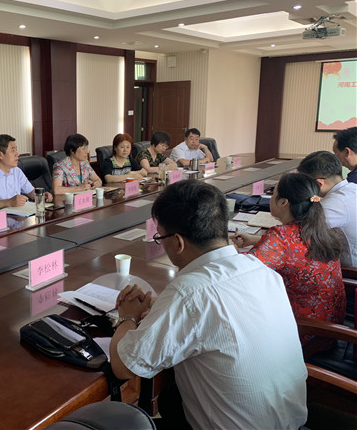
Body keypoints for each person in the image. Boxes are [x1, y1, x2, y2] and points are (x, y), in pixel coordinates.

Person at [109, 180, 307, 429]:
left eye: (160, 237)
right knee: (170, 396)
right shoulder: (261, 270)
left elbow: (123, 367)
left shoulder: (188, 293)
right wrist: (160, 306)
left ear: (178, 242)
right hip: (290, 421)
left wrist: (127, 316)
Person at [233, 173, 345, 341]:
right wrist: (257, 240)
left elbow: (240, 273)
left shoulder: (281, 237)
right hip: (330, 327)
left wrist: (229, 247)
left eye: (274, 194)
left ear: (284, 202)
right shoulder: (317, 228)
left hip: (304, 330)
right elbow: (296, 249)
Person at [298, 150, 357, 266]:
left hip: (350, 271)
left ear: (319, 184)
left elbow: (299, 235)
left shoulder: (335, 203)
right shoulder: (352, 188)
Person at [0, 134, 53, 211]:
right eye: (13, 150)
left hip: (17, 216)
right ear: (0, 155)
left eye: (16, 150)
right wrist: (8, 202)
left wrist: (41, 196)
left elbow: (31, 192)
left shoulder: (16, 171)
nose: (17, 154)